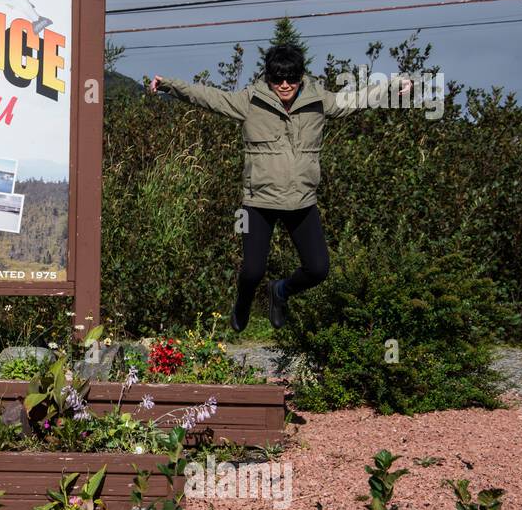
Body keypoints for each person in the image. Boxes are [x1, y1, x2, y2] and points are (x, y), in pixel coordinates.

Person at [149, 44, 407, 331]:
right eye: (277, 79)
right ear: (268, 77)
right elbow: (209, 97)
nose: (285, 85)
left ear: (300, 76)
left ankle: (280, 291)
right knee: (251, 271)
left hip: (302, 201)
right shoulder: (250, 101)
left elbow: (356, 98)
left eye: (291, 79)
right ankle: (243, 301)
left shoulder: (319, 99)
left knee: (319, 269)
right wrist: (168, 86)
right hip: (258, 202)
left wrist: (392, 87)